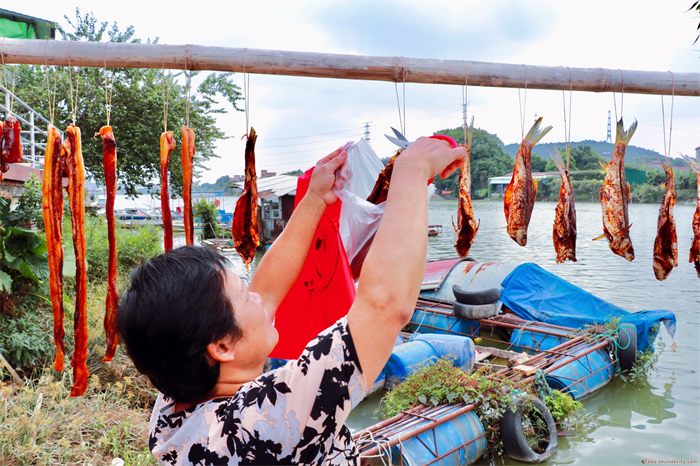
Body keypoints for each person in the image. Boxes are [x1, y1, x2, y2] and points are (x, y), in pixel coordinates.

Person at [117, 138, 466, 465]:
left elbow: (267, 293)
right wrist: (413, 169)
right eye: (244, 297)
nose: (257, 296)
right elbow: (386, 307)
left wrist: (315, 200)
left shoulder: (172, 410)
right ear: (222, 346)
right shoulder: (262, 421)